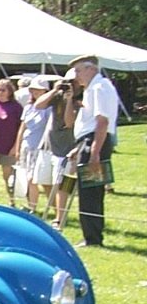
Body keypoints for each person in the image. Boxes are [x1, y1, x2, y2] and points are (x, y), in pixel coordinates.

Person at [67, 54, 118, 247]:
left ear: (91, 69)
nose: (77, 76)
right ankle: (91, 235)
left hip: (95, 142)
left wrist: (95, 152)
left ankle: (93, 237)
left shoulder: (100, 87)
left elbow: (102, 121)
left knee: (90, 191)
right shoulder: (92, 89)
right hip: (87, 141)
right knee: (89, 190)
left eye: (79, 71)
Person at [36, 69, 77, 229]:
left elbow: (69, 122)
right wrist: (54, 90)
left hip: (68, 150)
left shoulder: (80, 98)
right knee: (44, 181)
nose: (69, 85)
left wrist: (69, 100)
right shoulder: (57, 95)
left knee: (63, 185)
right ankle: (58, 211)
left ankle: (60, 218)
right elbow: (38, 104)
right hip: (49, 147)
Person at [15, 75, 52, 212]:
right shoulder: (28, 107)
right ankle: (32, 207)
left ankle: (51, 208)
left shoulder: (49, 109)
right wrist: (18, 148)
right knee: (27, 178)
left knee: (35, 179)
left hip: (40, 147)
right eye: (33, 90)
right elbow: (22, 128)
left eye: (39, 90)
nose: (35, 92)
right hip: (27, 146)